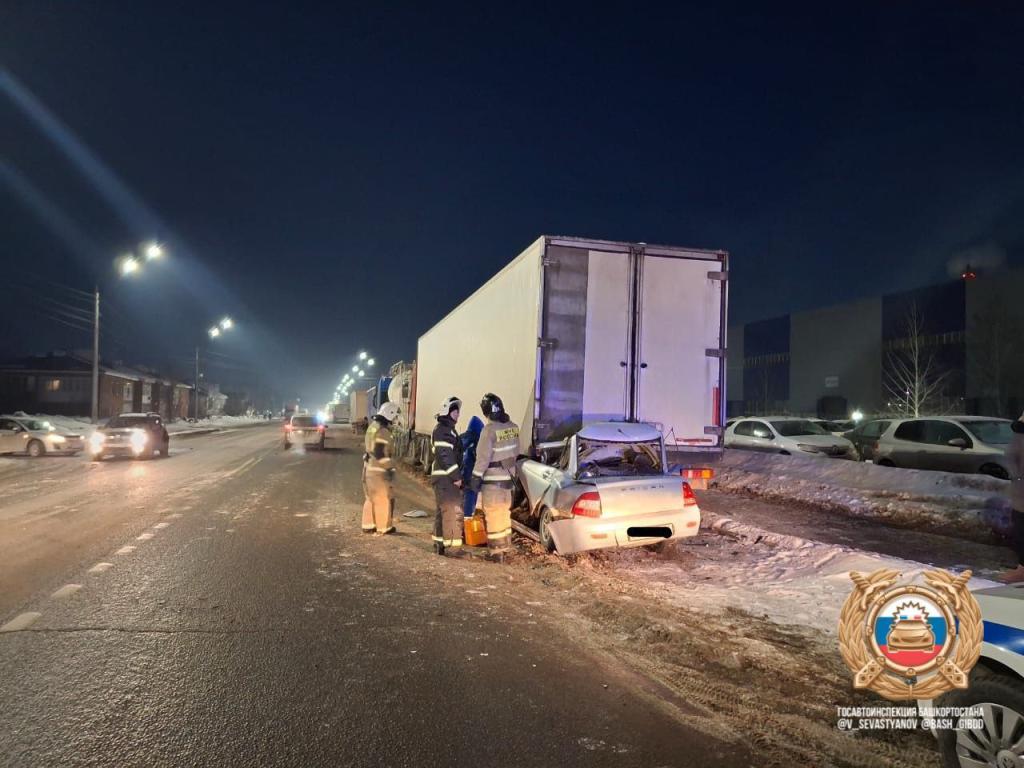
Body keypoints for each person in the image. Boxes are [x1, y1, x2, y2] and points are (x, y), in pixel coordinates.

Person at [469, 393, 520, 561]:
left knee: (492, 513)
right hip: (508, 480)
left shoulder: (488, 431)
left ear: (486, 411)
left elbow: (482, 459)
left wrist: (475, 478)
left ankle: (497, 552)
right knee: (504, 513)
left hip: (493, 480)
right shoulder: (513, 427)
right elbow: (515, 453)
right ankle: (505, 547)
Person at [430, 396, 465, 556]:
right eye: (455, 411)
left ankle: (440, 543)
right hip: (446, 478)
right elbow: (445, 455)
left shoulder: (446, 429)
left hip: (442, 477)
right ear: (447, 411)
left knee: (442, 510)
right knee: (452, 510)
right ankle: (452, 547)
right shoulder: (443, 430)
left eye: (458, 411)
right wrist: (456, 477)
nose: (458, 414)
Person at [362, 401, 400, 535]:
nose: (395, 419)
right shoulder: (383, 431)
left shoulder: (372, 427)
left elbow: (370, 447)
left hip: (368, 467)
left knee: (370, 498)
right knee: (383, 499)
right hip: (379, 470)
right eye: (395, 416)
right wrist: (389, 468)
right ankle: (384, 527)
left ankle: (368, 525)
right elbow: (380, 453)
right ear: (389, 414)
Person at [1000, 412, 1024, 583]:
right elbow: (1010, 458)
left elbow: (1010, 457)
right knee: (1020, 527)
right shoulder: (1019, 437)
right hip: (1021, 491)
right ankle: (1022, 568)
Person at [460, 415, 484, 518]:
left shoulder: (462, 438)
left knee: (464, 498)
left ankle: (461, 522)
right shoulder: (478, 442)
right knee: (470, 499)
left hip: (463, 473)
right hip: (472, 475)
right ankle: (467, 523)